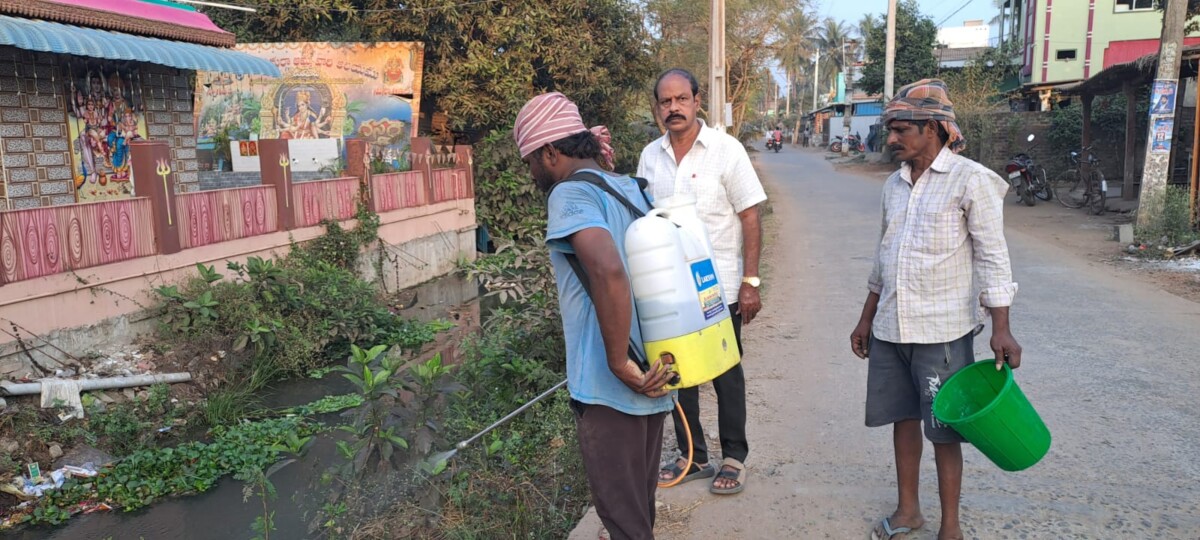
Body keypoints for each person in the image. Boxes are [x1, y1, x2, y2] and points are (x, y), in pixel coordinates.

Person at [849, 79, 1023, 540]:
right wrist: (867, 317)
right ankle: (909, 512)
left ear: (934, 128)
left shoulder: (972, 181)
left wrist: (1001, 328)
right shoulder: (893, 184)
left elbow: (992, 256)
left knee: (944, 430)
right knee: (902, 419)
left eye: (901, 130)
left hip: (943, 331)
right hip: (890, 328)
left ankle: (951, 527)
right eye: (891, 130)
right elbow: (883, 256)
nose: (891, 140)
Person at [514, 92, 675, 540]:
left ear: (550, 152)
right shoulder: (631, 187)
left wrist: (616, 362)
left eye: (530, 161)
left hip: (613, 386)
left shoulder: (569, 193)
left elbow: (606, 269)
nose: (531, 173)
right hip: (656, 370)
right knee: (636, 505)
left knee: (623, 518)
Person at [638, 68, 767, 496]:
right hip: (668, 293)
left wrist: (750, 281)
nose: (673, 107)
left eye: (681, 99)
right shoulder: (649, 157)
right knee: (679, 372)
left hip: (718, 286)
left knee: (726, 372)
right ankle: (693, 456)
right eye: (665, 101)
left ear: (697, 101)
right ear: (657, 108)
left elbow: (750, 215)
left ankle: (734, 456)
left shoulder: (726, 151)